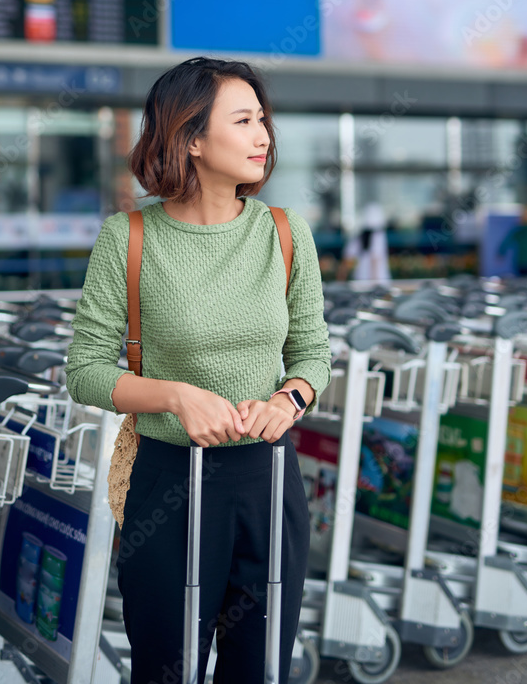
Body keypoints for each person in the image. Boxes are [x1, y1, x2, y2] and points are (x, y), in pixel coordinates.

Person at [65, 56, 331, 684]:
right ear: (189, 138)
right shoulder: (128, 239)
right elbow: (86, 370)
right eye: (244, 120)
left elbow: (313, 353)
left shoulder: (286, 234)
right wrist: (178, 397)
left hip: (267, 480)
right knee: (165, 668)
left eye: (262, 117)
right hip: (168, 484)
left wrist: (287, 401)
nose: (264, 133)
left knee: (260, 669)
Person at [338, 203, 391, 283]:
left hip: (361, 279)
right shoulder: (379, 236)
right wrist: (375, 283)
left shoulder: (359, 237)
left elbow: (347, 258)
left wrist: (340, 281)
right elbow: (375, 260)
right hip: (377, 281)